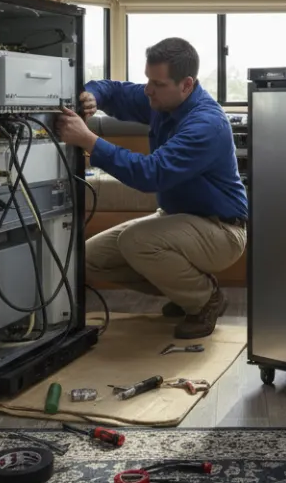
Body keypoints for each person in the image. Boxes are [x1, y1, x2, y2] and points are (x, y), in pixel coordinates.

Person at [54, 37, 247, 339]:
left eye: (156, 83)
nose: (147, 89)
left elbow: (150, 174)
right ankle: (187, 293)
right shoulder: (162, 100)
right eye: (147, 79)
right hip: (176, 220)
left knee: (136, 240)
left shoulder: (206, 124)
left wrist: (88, 140)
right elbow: (114, 90)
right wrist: (91, 96)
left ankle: (204, 299)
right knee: (88, 257)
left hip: (221, 231)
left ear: (186, 85)